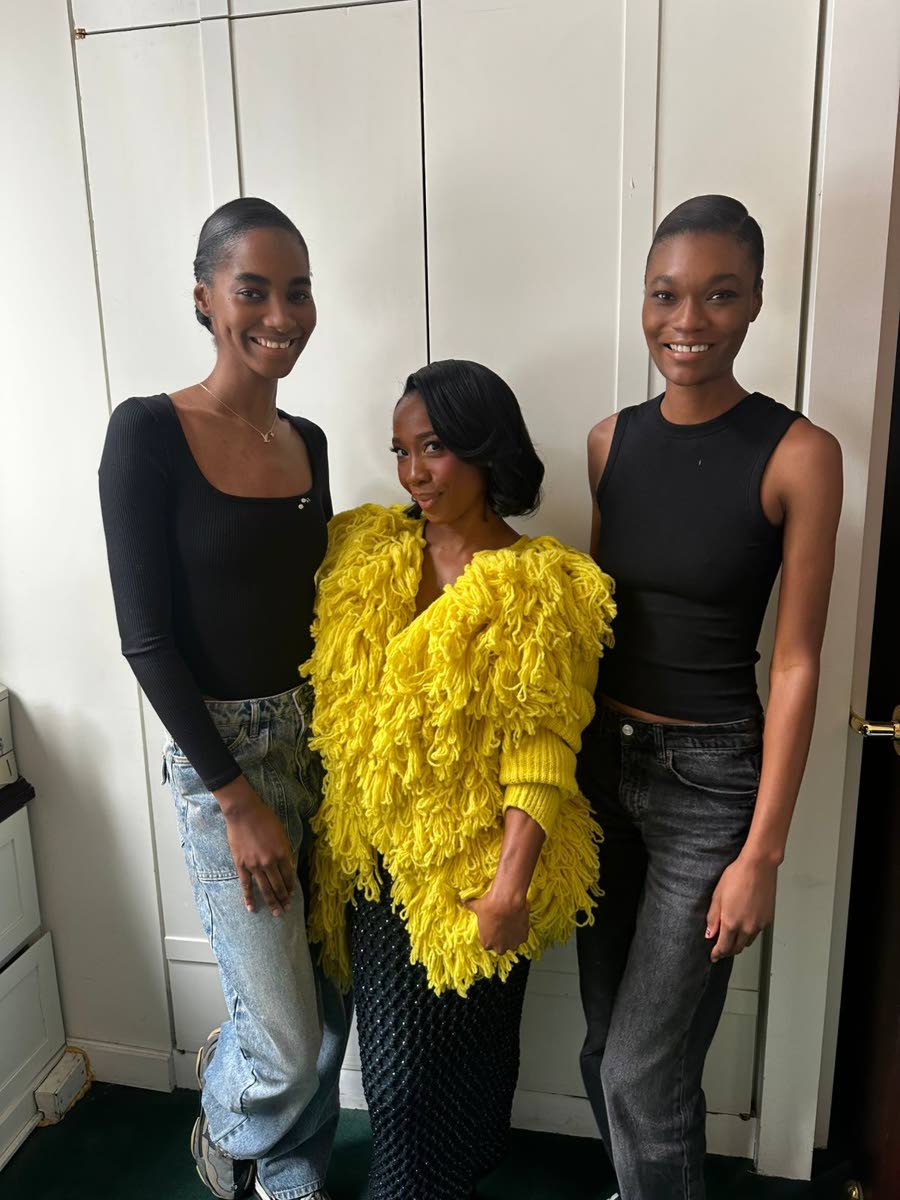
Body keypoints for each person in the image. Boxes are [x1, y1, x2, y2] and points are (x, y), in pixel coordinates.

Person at [576, 195, 843, 1199]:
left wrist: (762, 854)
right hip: (604, 773)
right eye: (666, 294)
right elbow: (599, 628)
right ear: (644, 302)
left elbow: (798, 659)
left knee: (641, 1066)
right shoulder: (608, 442)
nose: (688, 320)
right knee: (614, 1045)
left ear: (756, 303)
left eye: (719, 295)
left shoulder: (800, 454)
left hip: (711, 789)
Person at [301, 360, 616, 1200]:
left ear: (484, 449)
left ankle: (447, 1176)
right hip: (374, 870)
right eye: (401, 451)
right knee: (396, 1075)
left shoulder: (538, 585)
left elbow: (545, 748)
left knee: (466, 1060)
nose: (413, 473)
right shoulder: (368, 553)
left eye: (433, 447)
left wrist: (509, 886)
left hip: (477, 870)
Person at [99, 198, 350, 1200]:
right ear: (206, 298)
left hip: (326, 737)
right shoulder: (149, 433)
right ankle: (226, 1118)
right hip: (225, 760)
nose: (280, 313)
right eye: (253, 289)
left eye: (297, 291)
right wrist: (235, 795)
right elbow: (144, 636)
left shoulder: (312, 440)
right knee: (283, 1041)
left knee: (328, 1006)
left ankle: (290, 1174)